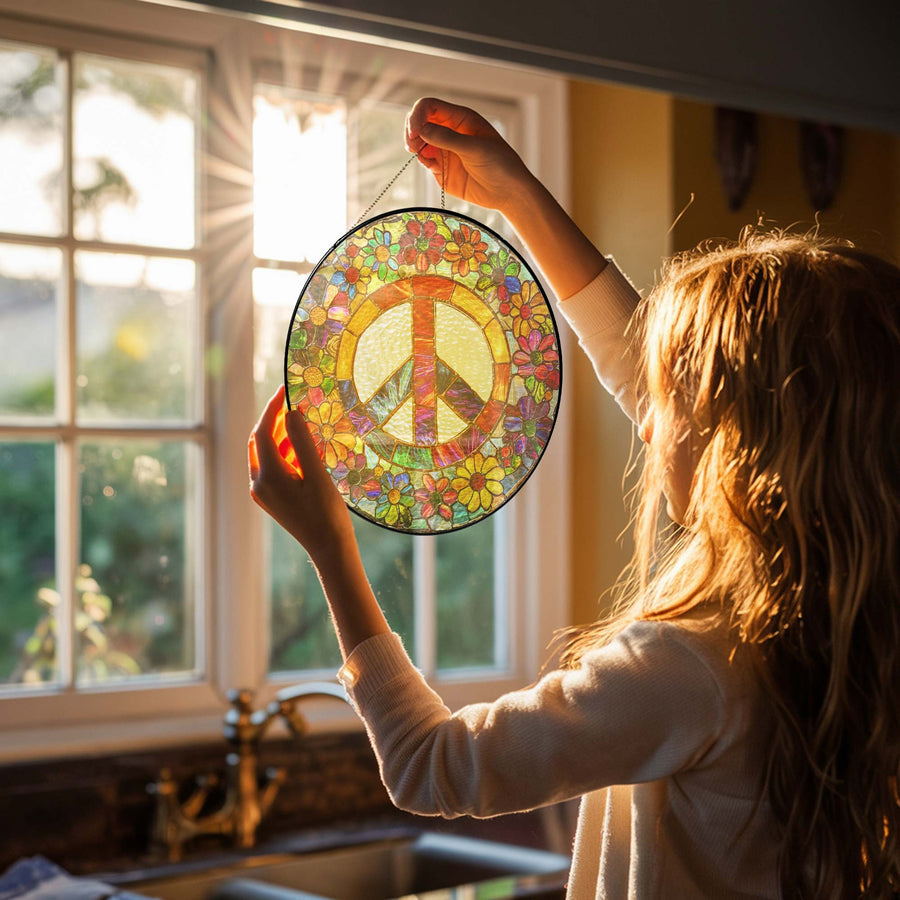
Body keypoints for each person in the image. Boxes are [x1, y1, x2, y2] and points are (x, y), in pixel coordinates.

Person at [249, 98, 900, 898]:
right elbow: (639, 361)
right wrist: (516, 194)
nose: (650, 415)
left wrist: (329, 545)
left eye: (671, 401)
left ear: (734, 443)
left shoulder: (690, 667)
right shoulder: (847, 614)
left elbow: (432, 767)